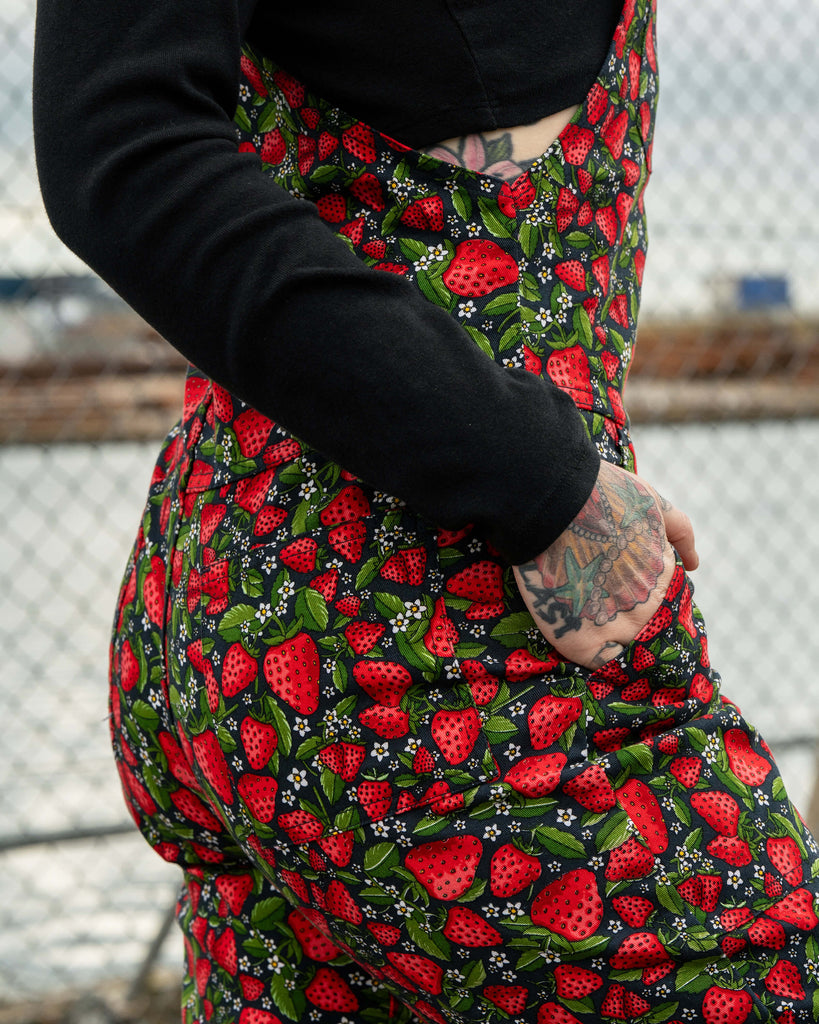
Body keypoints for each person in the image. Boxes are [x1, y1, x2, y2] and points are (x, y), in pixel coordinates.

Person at [33, 1, 819, 1021]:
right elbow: (123, 149)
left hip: (232, 632)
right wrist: (542, 475)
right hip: (445, 656)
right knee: (767, 980)